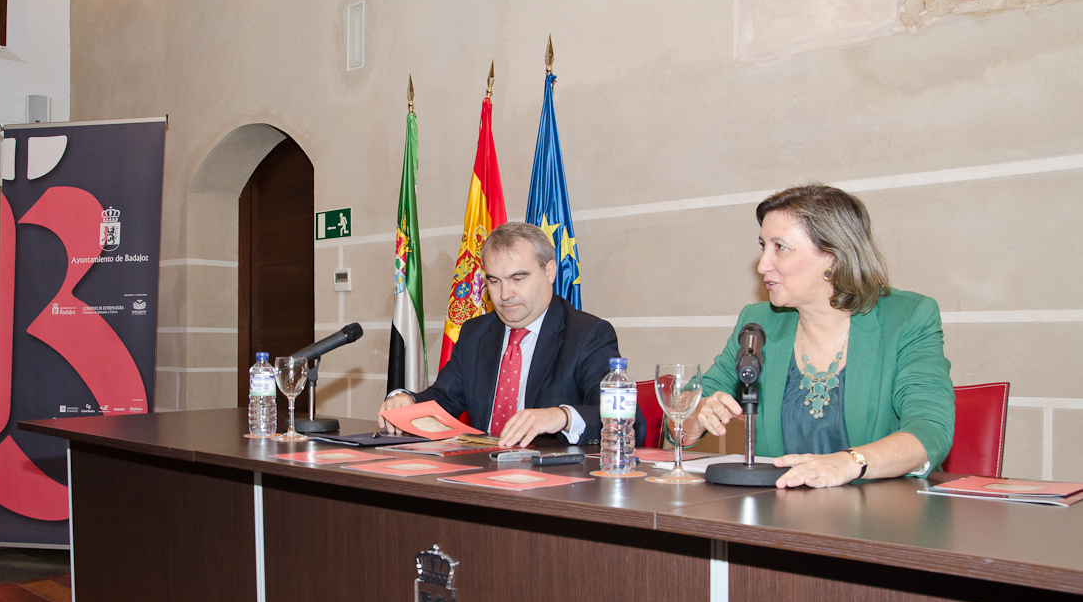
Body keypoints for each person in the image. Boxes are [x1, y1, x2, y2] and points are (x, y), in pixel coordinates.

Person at [680, 184, 954, 489]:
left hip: (885, 515)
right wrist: (697, 415)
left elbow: (929, 432)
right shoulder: (759, 323)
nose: (762, 265)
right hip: (780, 514)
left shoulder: (906, 317)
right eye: (763, 246)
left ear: (832, 257)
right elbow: (680, 421)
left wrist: (848, 463)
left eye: (780, 247)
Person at [379, 222, 646, 448]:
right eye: (494, 281)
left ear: (549, 271)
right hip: (480, 476)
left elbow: (630, 422)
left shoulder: (587, 335)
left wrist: (561, 416)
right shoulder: (476, 334)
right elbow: (444, 398)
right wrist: (408, 400)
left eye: (518, 278)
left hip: (553, 488)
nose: (505, 294)